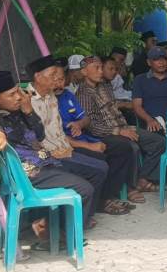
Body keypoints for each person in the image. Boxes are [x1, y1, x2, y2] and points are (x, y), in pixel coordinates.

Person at [0, 71, 96, 238]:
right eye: (12, 94)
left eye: (18, 91)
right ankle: (54, 232)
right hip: (29, 174)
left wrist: (29, 112)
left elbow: (40, 135)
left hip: (47, 164)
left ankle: (46, 221)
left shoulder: (18, 111)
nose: (19, 97)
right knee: (85, 189)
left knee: (93, 170)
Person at [25, 55, 107, 226]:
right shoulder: (27, 101)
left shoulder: (50, 96)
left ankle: (80, 217)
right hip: (50, 157)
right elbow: (36, 138)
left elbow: (59, 131)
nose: (57, 79)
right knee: (94, 172)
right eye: (52, 74)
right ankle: (65, 224)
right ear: (37, 77)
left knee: (100, 166)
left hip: (65, 149)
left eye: (58, 74)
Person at [77, 55, 166, 196]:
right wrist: (118, 131)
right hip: (105, 134)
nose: (101, 71)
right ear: (84, 72)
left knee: (158, 141)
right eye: (97, 68)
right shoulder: (84, 94)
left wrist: (123, 128)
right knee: (131, 147)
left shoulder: (105, 85)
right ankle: (131, 187)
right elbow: (91, 126)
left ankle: (143, 178)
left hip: (122, 126)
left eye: (101, 68)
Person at [53, 60, 134, 215]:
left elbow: (86, 119)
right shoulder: (48, 101)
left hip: (82, 138)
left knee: (122, 148)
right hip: (68, 146)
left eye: (62, 79)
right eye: (55, 79)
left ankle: (108, 196)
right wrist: (89, 146)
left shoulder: (68, 95)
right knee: (101, 157)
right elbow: (56, 136)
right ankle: (101, 201)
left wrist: (78, 124)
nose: (59, 83)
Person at [132, 46, 167, 132]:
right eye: (156, 59)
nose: (161, 62)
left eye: (163, 59)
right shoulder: (140, 80)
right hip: (149, 122)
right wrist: (149, 120)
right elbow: (137, 106)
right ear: (149, 62)